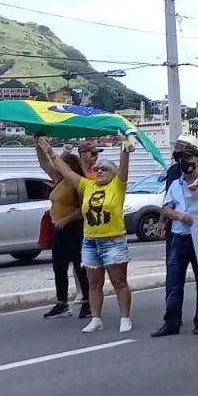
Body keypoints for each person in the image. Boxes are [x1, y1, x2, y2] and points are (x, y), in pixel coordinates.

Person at [39, 136, 134, 333]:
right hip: (91, 241)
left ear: (113, 173)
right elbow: (65, 170)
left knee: (119, 282)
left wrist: (125, 145)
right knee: (94, 283)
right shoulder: (87, 185)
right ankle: (96, 318)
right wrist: (50, 151)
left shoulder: (117, 186)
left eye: (104, 168)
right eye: (97, 168)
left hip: (113, 240)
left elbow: (124, 166)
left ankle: (125, 317)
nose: (99, 170)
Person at [152, 140, 198, 337]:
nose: (185, 163)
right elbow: (166, 207)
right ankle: (171, 321)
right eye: (182, 159)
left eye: (188, 159)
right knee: (173, 281)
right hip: (180, 236)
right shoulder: (175, 183)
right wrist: (178, 217)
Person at [38, 142, 89, 320]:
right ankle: (61, 303)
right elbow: (44, 164)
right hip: (58, 228)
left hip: (74, 229)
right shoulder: (59, 180)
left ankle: (87, 303)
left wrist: (67, 219)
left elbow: (85, 207)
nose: (57, 165)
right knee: (58, 267)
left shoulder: (77, 183)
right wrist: (38, 145)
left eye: (62, 162)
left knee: (79, 266)